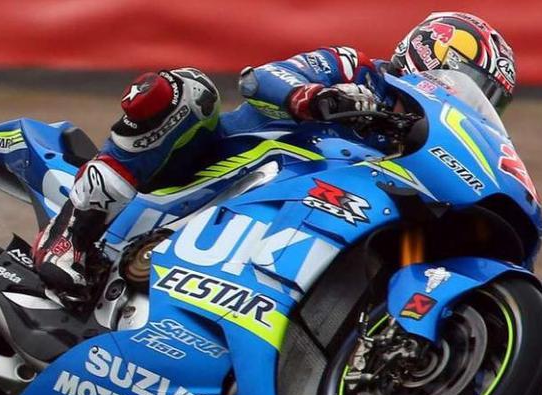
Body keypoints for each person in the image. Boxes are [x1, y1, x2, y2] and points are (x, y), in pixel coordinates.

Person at [33, 11, 517, 293]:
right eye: (473, 84)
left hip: (287, 217)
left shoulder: (410, 150)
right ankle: (71, 234)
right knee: (188, 92)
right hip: (207, 166)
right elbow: (260, 77)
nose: (473, 100)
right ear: (434, 54)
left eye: (488, 100)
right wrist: (311, 97)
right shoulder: (357, 68)